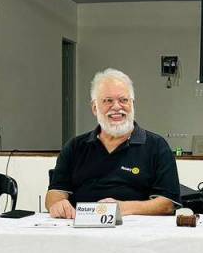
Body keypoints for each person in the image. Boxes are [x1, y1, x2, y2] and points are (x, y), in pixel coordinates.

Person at [46, 68, 180, 219]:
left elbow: (167, 204)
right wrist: (58, 204)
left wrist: (122, 208)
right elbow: (55, 193)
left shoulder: (157, 146)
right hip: (79, 227)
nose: (116, 107)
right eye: (108, 100)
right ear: (94, 108)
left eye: (123, 100)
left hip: (135, 230)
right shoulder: (74, 147)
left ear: (132, 104)